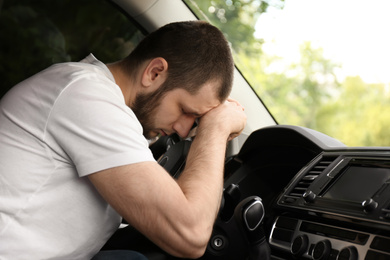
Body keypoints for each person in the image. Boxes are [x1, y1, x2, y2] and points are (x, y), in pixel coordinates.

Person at [0, 21, 246, 259]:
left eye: (196, 121)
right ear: (154, 72)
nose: (183, 131)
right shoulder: (86, 95)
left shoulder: (101, 100)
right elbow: (191, 234)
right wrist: (216, 129)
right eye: (185, 110)